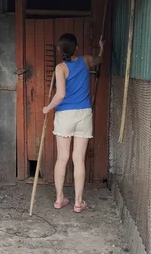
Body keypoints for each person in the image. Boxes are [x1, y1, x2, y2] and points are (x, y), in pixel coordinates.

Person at [43, 33, 105, 213]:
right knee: (79, 159)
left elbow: (61, 95)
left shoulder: (60, 68)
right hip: (84, 114)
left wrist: (47, 108)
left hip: (65, 114)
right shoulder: (85, 61)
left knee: (62, 158)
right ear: (77, 47)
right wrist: (101, 47)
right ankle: (78, 202)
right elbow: (99, 59)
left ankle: (59, 198)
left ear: (59, 49)